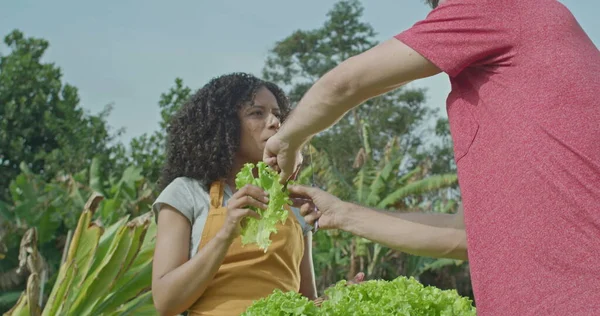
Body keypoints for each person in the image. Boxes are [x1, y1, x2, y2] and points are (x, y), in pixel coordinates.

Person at [264, 0, 600, 315]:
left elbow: (346, 84)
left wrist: (288, 141)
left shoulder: (499, 6)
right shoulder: (500, 93)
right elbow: (462, 235)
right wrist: (342, 214)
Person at [150, 72, 318, 316]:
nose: (274, 122)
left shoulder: (293, 202)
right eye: (256, 113)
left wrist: (340, 300)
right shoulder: (186, 193)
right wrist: (226, 232)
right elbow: (166, 302)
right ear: (225, 125)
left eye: (278, 114)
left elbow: (307, 301)